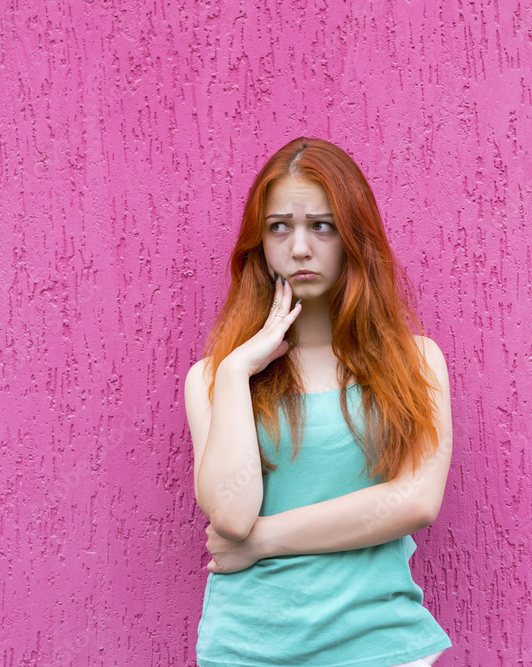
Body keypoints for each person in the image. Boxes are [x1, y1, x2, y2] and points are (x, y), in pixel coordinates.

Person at [184, 137, 453, 666]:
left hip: (381, 647)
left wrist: (263, 541)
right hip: (246, 650)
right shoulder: (214, 379)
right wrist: (237, 372)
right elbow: (231, 518)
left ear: (354, 236)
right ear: (258, 243)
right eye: (279, 227)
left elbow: (416, 502)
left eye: (322, 225)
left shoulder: (415, 362)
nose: (300, 248)